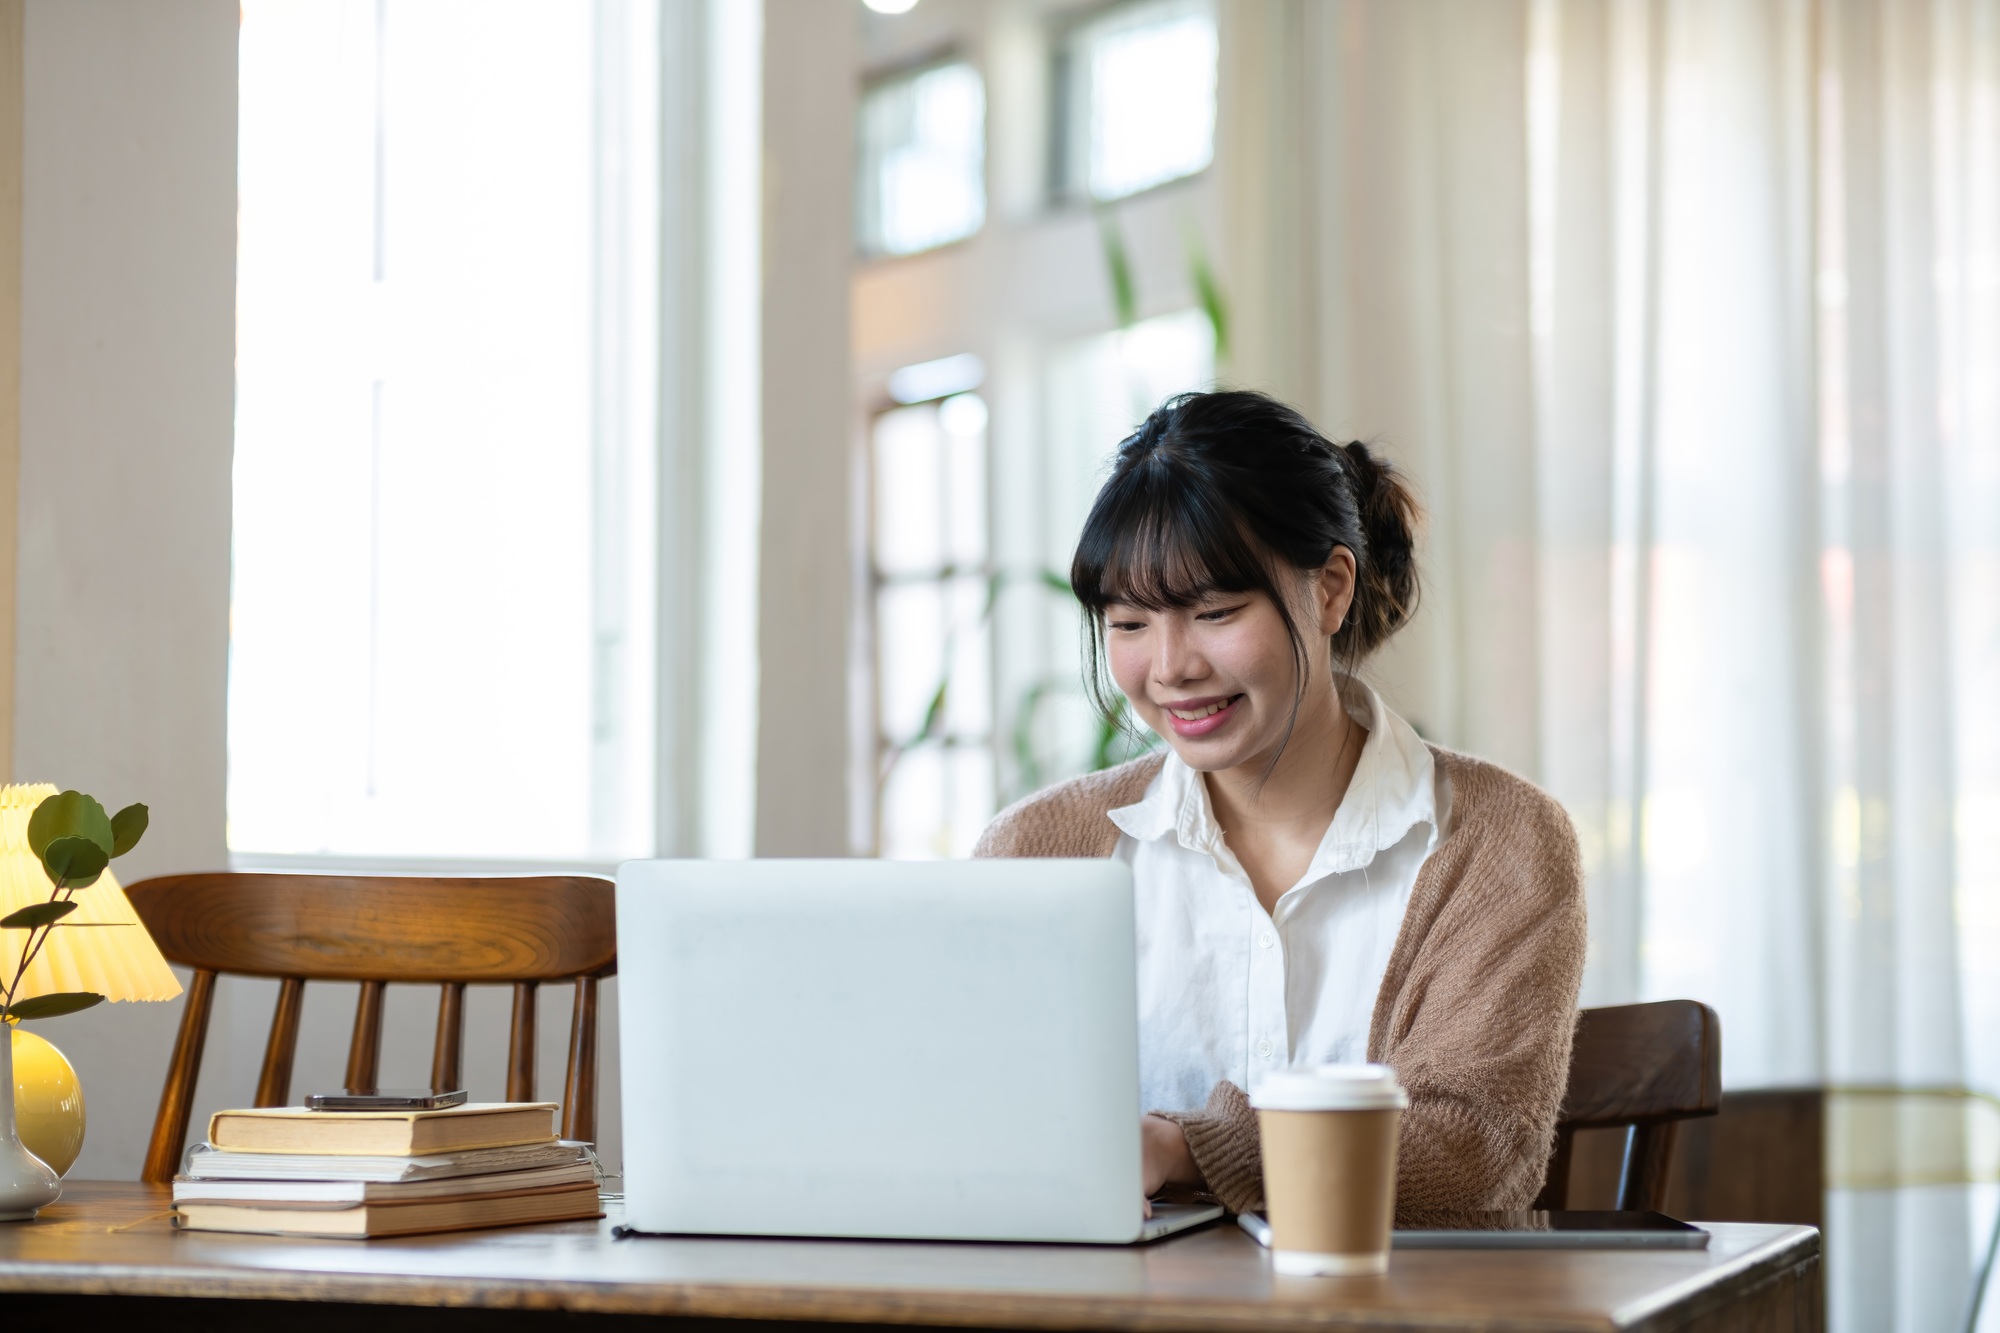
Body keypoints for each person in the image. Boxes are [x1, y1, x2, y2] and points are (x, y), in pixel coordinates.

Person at [974, 390, 1586, 1217]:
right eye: (1128, 623)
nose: (1170, 667)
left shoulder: (1501, 841)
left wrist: (1191, 1149)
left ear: (1331, 589)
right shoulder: (1034, 851)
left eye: (1215, 612)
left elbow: (1473, 1152)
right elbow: (982, 1120)